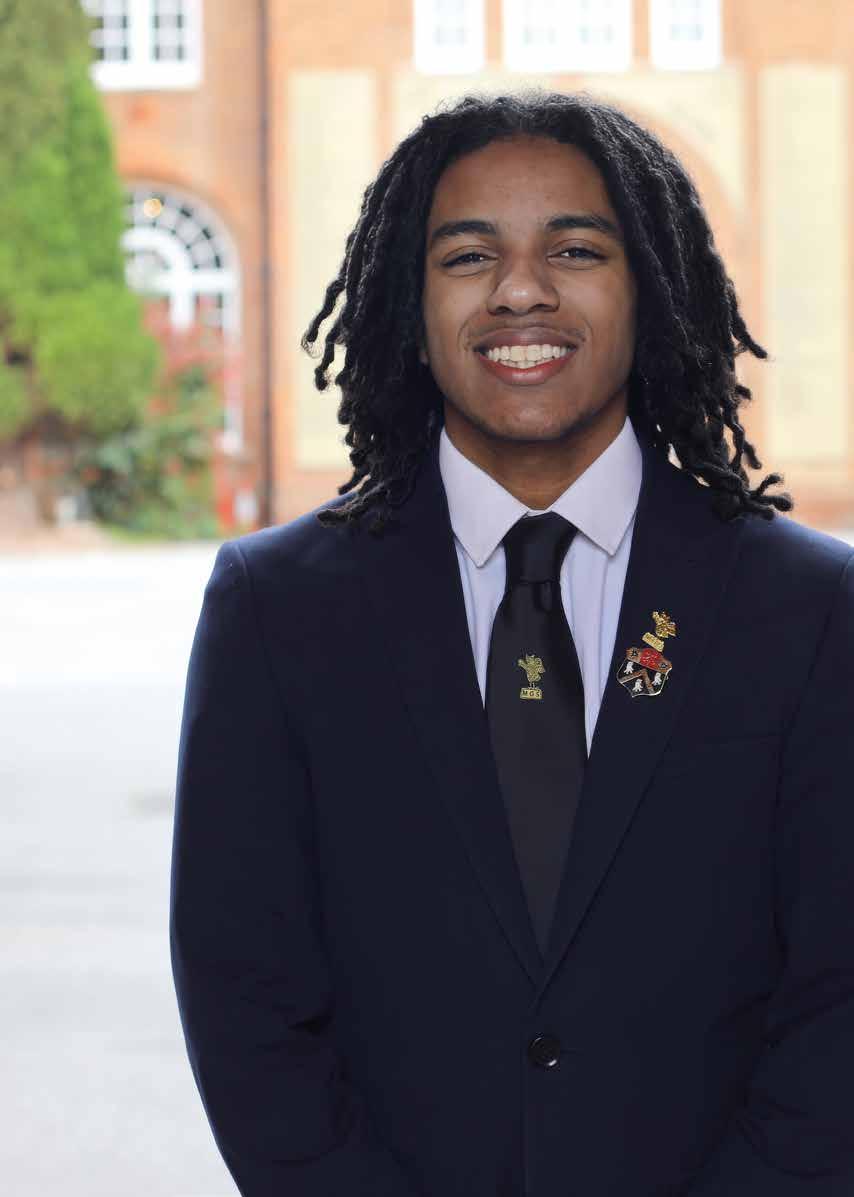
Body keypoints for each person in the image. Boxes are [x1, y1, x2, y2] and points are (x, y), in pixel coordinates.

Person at [169, 90, 854, 1197]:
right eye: (468, 256)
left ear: (650, 290)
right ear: (410, 303)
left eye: (575, 249)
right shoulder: (277, 609)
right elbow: (245, 996)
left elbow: (839, 1003)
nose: (520, 290)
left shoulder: (809, 607)